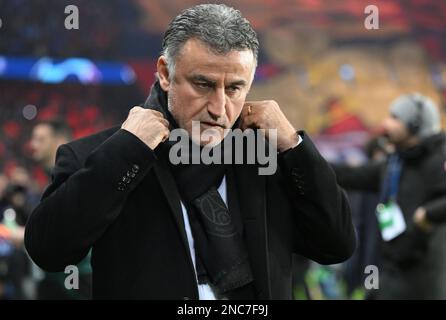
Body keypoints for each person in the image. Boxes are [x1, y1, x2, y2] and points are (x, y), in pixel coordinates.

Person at [24, 4, 355, 300]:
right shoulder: (101, 155)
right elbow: (49, 251)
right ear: (166, 74)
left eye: (235, 87)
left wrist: (293, 147)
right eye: (204, 84)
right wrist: (126, 151)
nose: (219, 107)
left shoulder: (265, 157)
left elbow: (335, 244)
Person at [333, 93, 446, 299]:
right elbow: (349, 175)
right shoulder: (395, 163)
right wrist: (299, 153)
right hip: (390, 271)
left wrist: (426, 215)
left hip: (425, 279)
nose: (386, 123)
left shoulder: (438, 159)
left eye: (395, 117)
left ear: (415, 124)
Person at [30, 120, 92, 299]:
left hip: (75, 279)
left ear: (59, 141)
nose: (33, 145)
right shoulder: (51, 177)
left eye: (40, 139)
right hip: (58, 278)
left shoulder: (74, 178)